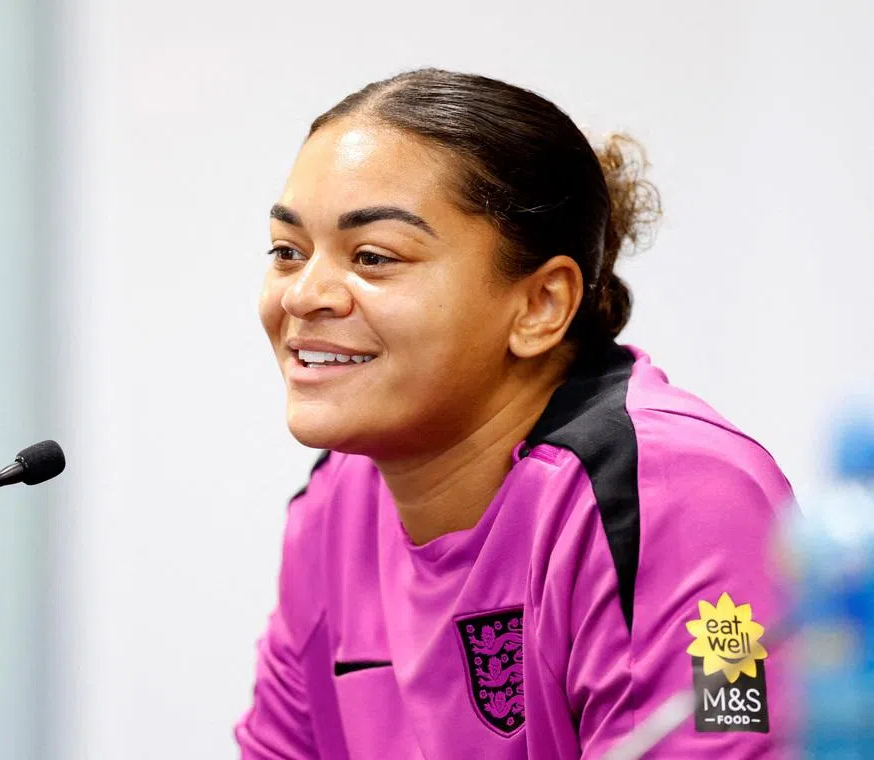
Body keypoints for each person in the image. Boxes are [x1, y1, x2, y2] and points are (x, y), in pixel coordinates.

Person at [236, 68, 793, 759]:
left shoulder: (684, 499)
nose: (304, 294)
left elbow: (726, 728)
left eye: (373, 257)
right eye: (287, 252)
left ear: (540, 305)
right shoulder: (335, 504)